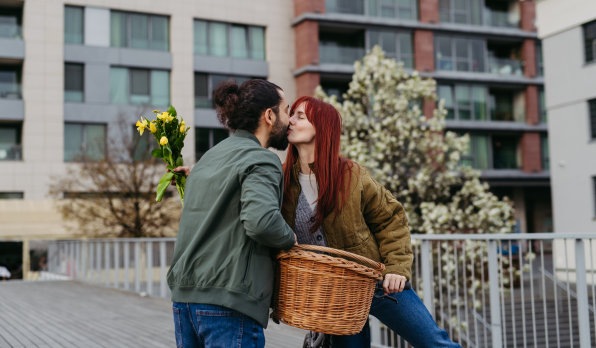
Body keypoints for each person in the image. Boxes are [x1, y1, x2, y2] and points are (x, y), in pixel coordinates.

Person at [282, 96, 461, 348]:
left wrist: (397, 269)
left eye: (300, 116)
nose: (290, 121)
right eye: (291, 114)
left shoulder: (352, 175)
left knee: (434, 342)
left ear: (321, 127)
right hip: (335, 295)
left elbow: (391, 220)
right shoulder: (281, 180)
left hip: (378, 283)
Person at [167, 79, 296, 348]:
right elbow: (261, 222)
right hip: (229, 303)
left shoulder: (210, 157)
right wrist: (290, 238)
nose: (290, 119)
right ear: (269, 116)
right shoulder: (262, 159)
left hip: (185, 300)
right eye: (286, 110)